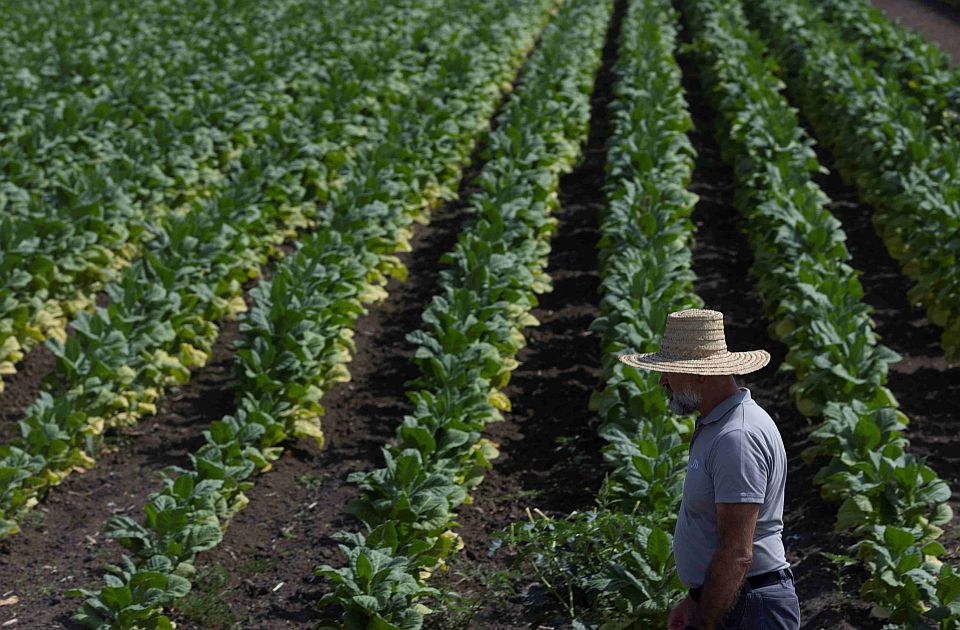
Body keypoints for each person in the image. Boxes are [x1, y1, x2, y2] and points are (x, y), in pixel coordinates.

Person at [618, 309, 800, 630]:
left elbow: (737, 552)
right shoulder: (717, 426)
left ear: (701, 375)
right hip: (737, 599)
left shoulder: (737, 437)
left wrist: (703, 623)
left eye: (669, 371)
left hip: (751, 609)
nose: (662, 380)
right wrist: (696, 599)